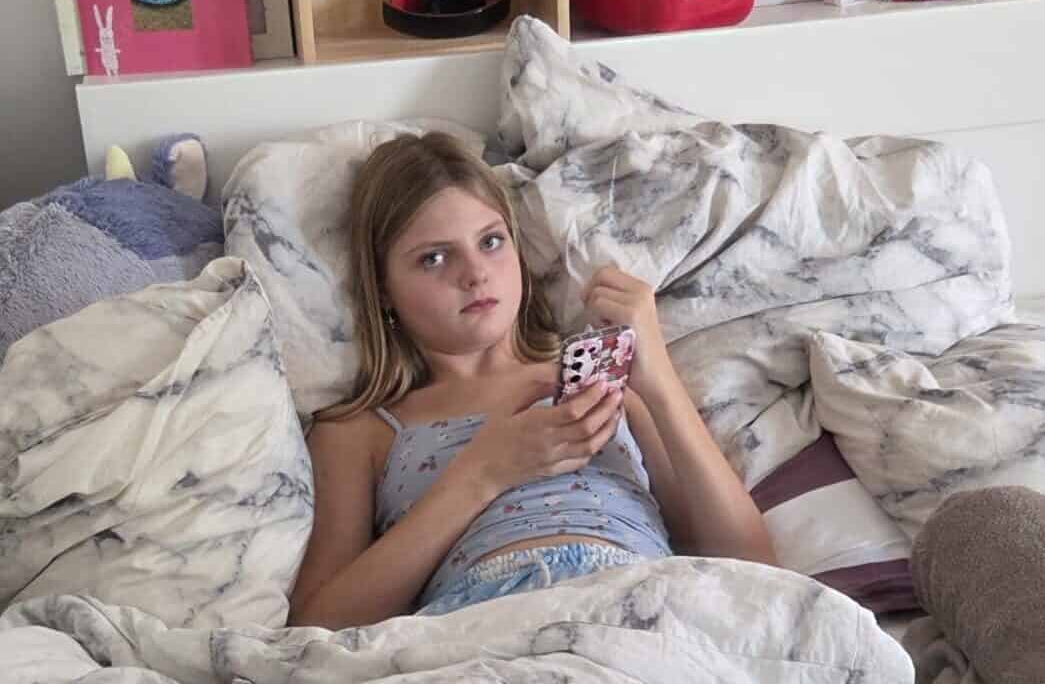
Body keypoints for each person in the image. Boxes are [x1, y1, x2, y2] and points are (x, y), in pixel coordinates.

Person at [289, 132, 775, 629]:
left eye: (490, 242)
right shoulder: (360, 431)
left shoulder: (607, 384)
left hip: (639, 607)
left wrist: (658, 377)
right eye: (434, 257)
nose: (475, 273)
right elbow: (316, 628)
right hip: (489, 627)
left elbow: (754, 571)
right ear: (383, 288)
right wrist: (482, 474)